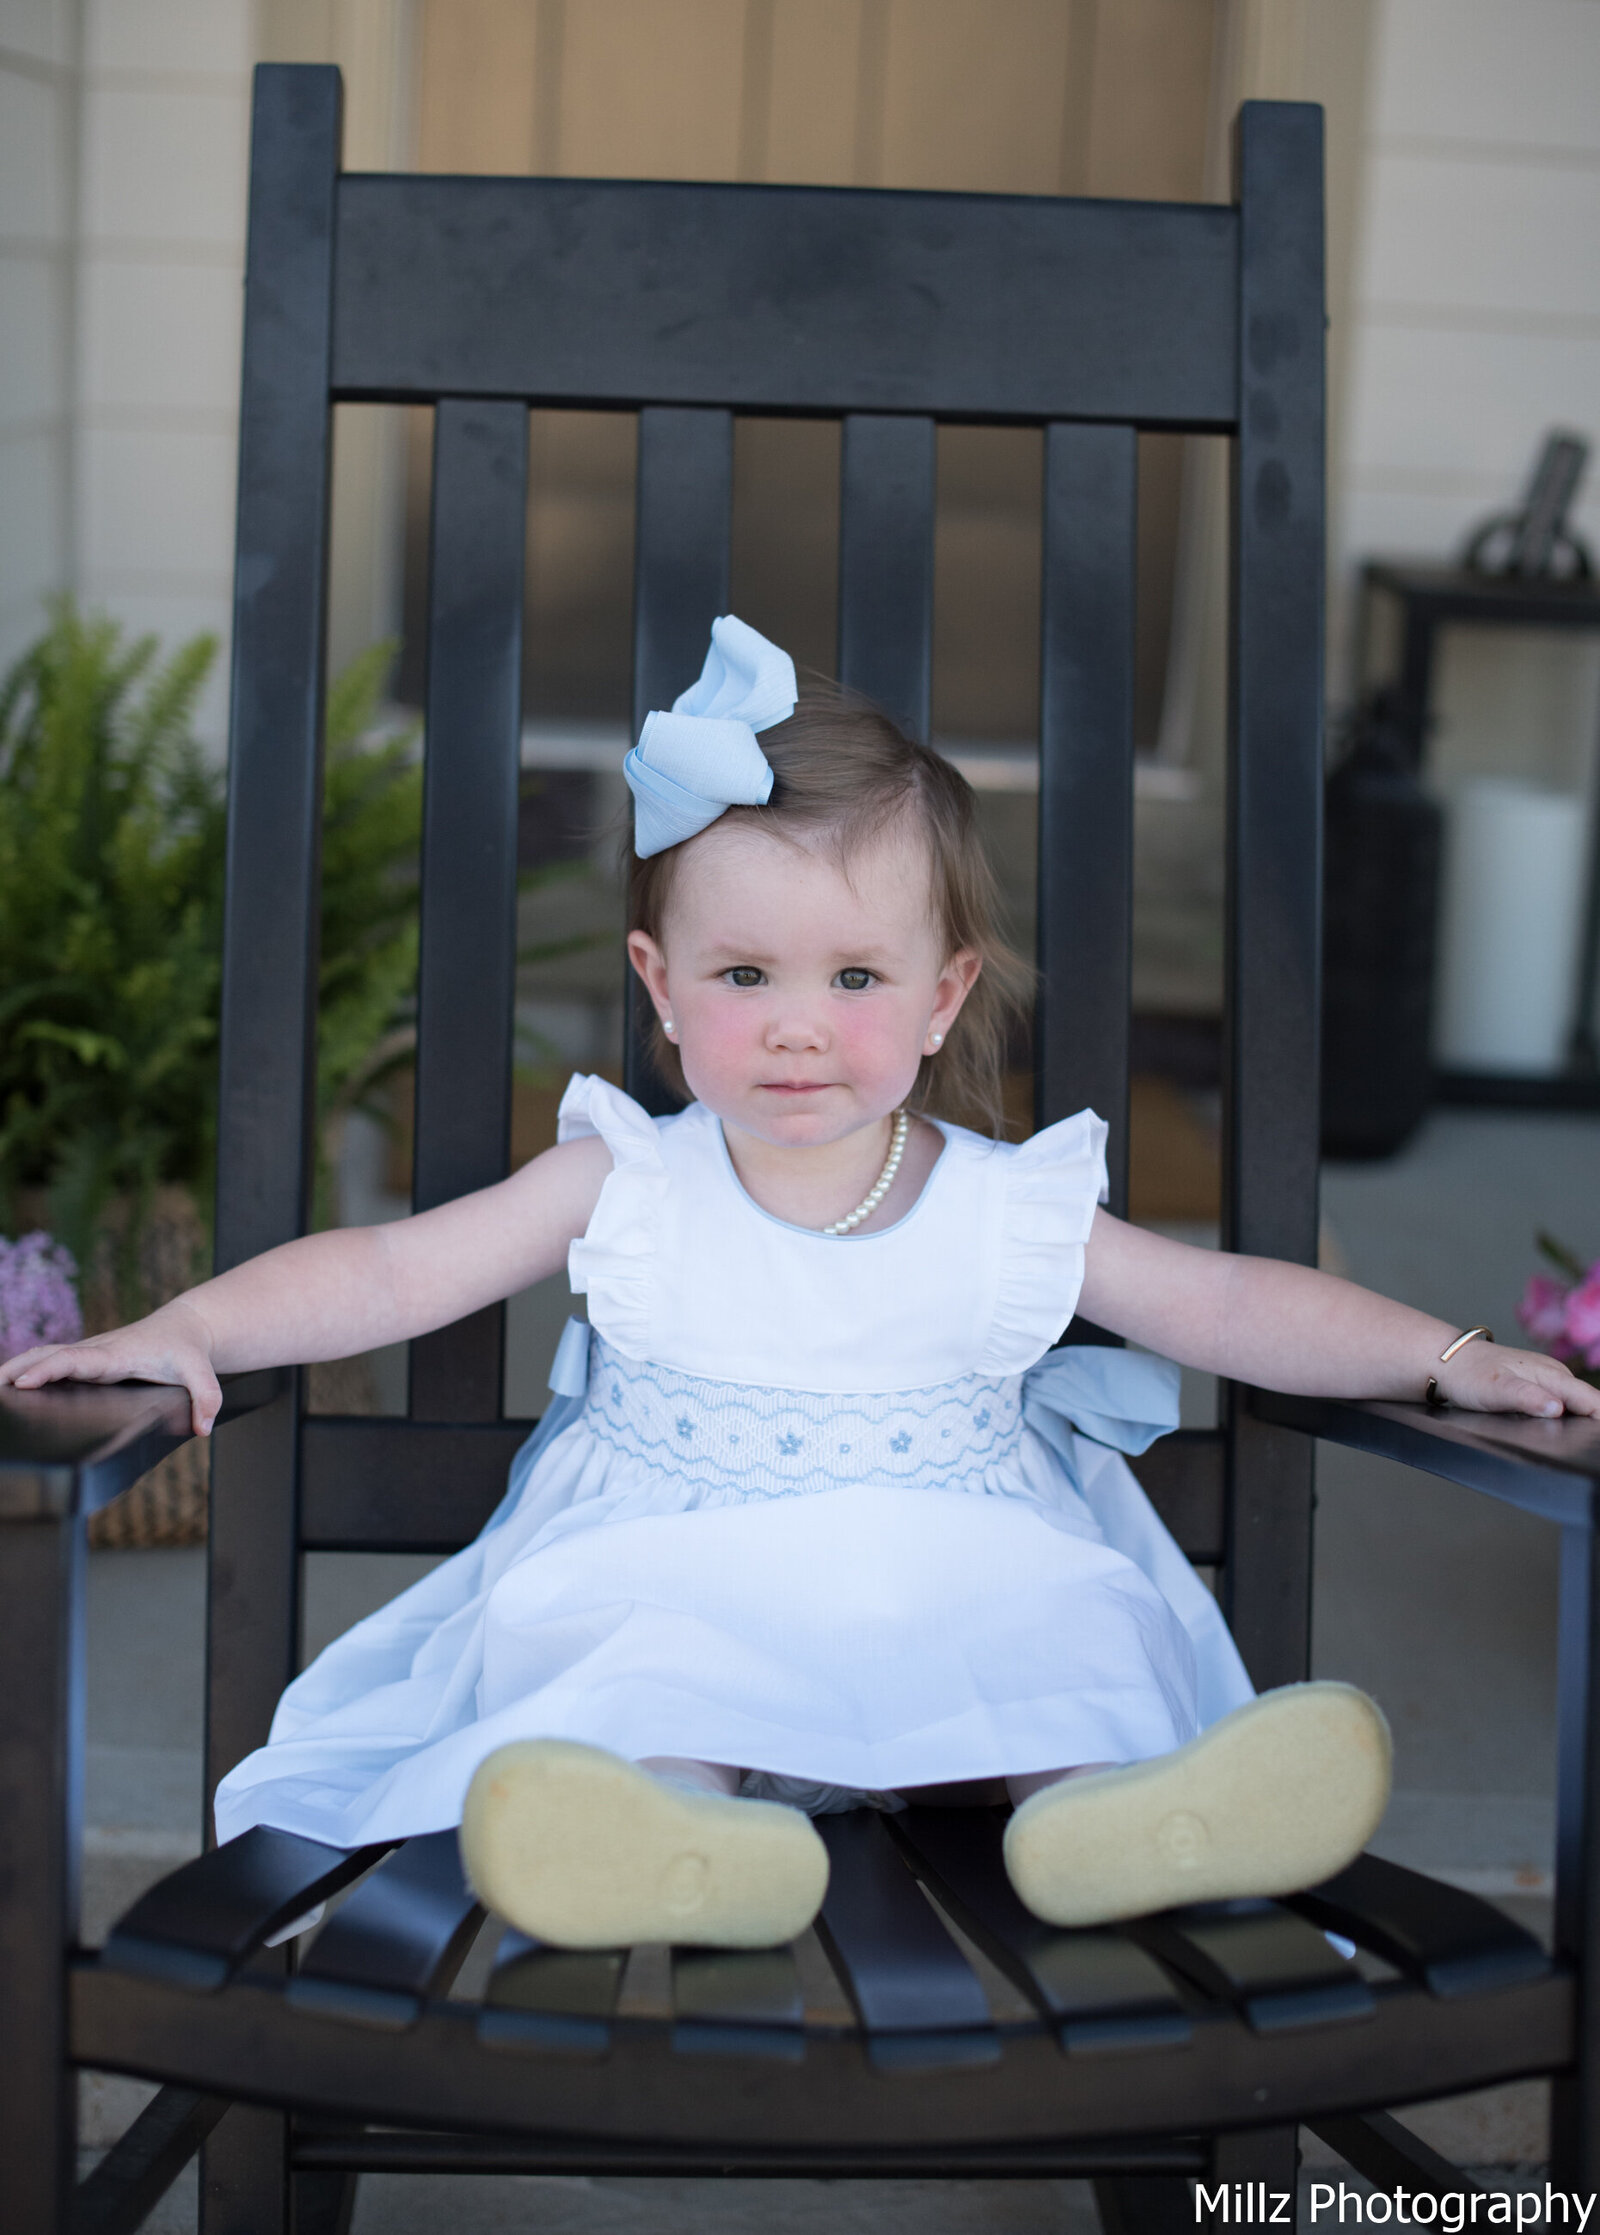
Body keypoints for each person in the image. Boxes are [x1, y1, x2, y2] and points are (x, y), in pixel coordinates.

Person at [7, 616, 1596, 1954]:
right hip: (685, 1571)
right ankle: (675, 1844)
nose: (792, 1026)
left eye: (853, 979)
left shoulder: (1002, 1209)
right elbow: (390, 1270)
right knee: (643, 1680)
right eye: (743, 975)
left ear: (939, 997)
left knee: (1060, 1643)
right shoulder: (626, 1178)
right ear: (661, 988)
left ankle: (1112, 1822)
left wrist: (1446, 1350)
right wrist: (191, 1324)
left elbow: (1226, 1303)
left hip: (946, 1578)